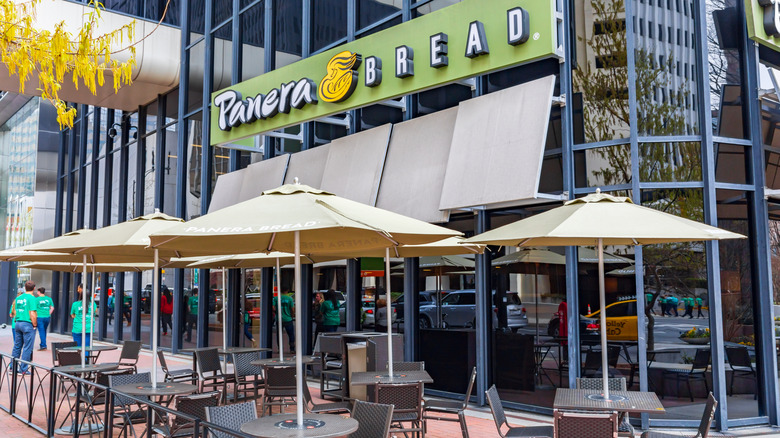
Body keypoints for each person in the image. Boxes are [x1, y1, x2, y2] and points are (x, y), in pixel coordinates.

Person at [11, 281, 37, 374]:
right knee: (27, 347)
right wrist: (34, 324)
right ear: (34, 288)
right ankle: (23, 369)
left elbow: (15, 311)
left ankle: (12, 367)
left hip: (18, 322)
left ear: (25, 288)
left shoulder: (19, 298)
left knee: (17, 346)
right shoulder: (32, 298)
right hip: (27, 323)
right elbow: (33, 313)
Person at [71, 284, 96, 359]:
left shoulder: (75, 304)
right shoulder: (93, 304)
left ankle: (80, 361)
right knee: (87, 347)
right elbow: (94, 312)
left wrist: (79, 317)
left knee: (78, 347)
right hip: (89, 328)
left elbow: (72, 315)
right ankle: (86, 360)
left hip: (77, 328)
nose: (77, 290)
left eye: (78, 289)